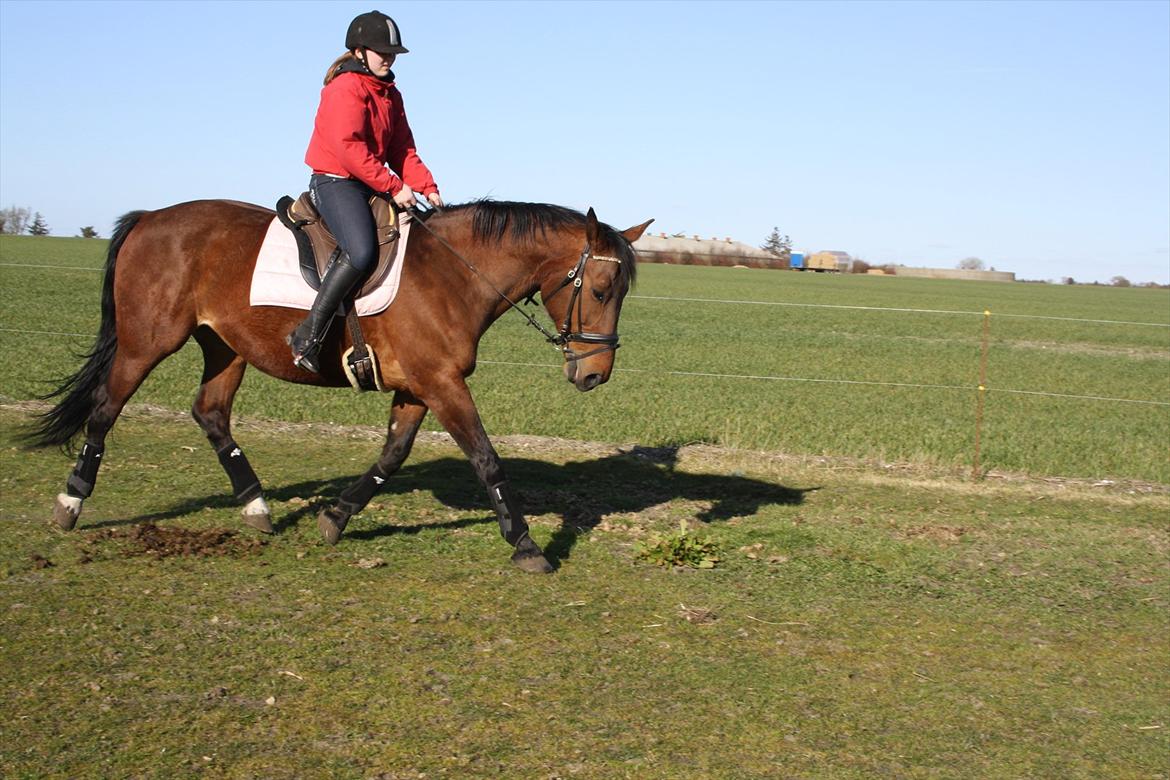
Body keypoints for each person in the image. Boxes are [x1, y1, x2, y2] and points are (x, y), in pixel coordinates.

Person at [290, 10, 444, 373]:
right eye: (381, 51)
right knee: (360, 251)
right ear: (359, 51)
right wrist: (394, 186)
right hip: (336, 181)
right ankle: (307, 335)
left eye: (392, 52)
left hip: (369, 182)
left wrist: (427, 186)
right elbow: (349, 149)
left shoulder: (391, 94)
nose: (388, 57)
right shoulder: (345, 88)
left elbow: (402, 149)